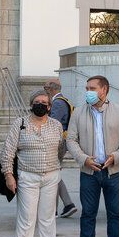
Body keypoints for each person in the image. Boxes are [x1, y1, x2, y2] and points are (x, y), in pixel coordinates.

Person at [66, 75, 119, 237]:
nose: (88, 92)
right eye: (87, 88)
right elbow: (71, 140)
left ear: (104, 90)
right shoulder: (79, 113)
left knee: (115, 213)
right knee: (88, 214)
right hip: (89, 172)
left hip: (112, 171)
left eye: (92, 88)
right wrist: (83, 159)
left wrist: (116, 156)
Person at [1, 90, 64, 237]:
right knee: (27, 217)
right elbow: (8, 151)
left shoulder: (56, 126)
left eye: (44, 102)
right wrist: (8, 175)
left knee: (47, 216)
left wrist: (57, 167)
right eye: (37, 102)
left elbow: (61, 149)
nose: (40, 105)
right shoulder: (19, 124)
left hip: (51, 176)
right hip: (27, 176)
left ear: (49, 107)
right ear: (30, 105)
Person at [44, 79, 77, 218]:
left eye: (45, 88)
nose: (45, 91)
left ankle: (57, 208)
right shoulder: (63, 101)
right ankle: (67, 204)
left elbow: (53, 124)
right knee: (54, 174)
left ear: (51, 89)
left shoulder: (57, 103)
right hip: (60, 141)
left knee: (52, 174)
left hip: (57, 143)